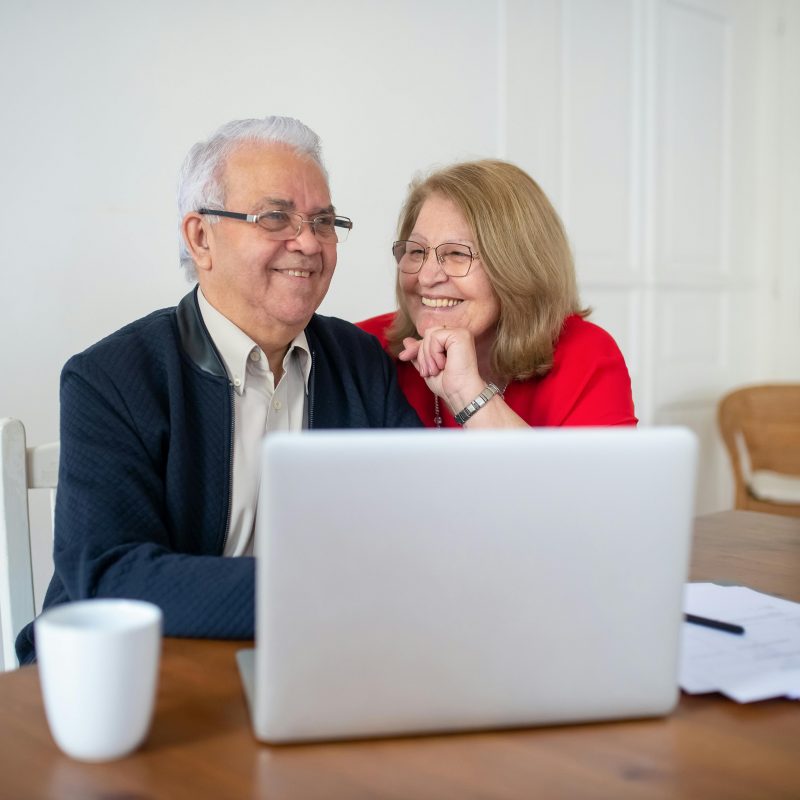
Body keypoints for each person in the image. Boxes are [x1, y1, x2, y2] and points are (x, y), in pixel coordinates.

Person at [17, 116, 422, 664]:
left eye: (323, 221)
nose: (308, 242)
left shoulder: (359, 362)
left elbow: (422, 528)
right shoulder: (111, 378)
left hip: (315, 662)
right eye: (275, 217)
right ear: (200, 238)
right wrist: (317, 593)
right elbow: (112, 575)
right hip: (135, 671)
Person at [358, 159, 637, 429]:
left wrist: (467, 393)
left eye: (457, 253)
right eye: (416, 251)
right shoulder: (360, 350)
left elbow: (595, 466)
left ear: (519, 267)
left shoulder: (586, 358)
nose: (426, 277)